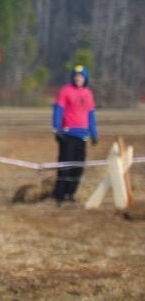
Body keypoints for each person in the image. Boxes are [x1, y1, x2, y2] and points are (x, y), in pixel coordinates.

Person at [52, 64, 98, 204]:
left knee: (78, 168)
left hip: (82, 135)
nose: (78, 78)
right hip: (68, 134)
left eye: (81, 76)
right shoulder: (66, 91)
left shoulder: (88, 94)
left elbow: (91, 115)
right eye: (76, 76)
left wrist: (94, 133)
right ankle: (59, 195)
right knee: (65, 166)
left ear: (85, 79)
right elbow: (58, 110)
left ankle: (70, 193)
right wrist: (56, 129)